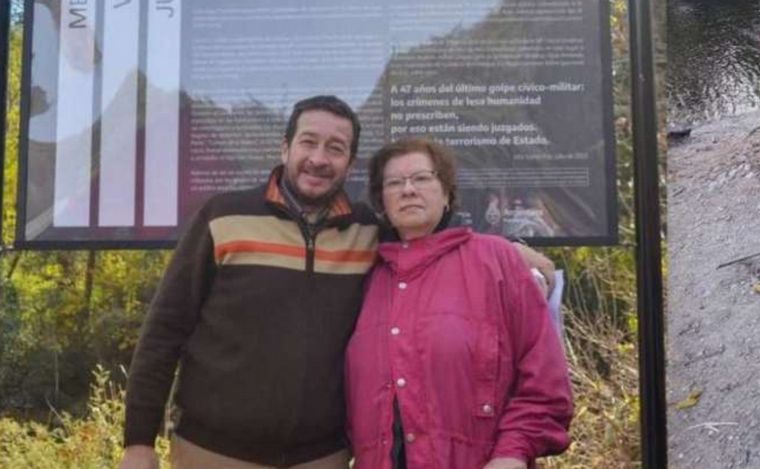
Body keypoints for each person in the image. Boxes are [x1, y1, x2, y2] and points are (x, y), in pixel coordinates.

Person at [118, 96, 557, 469]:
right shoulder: (223, 216)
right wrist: (139, 441)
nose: (319, 158)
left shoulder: (368, 231)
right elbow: (164, 331)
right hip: (213, 450)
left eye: (336, 148)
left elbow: (433, 234)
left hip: (322, 457)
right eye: (308, 142)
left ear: (349, 163)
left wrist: (515, 255)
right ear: (285, 147)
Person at [345, 137, 573, 469]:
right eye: (394, 182)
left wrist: (512, 453)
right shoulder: (364, 277)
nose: (408, 190)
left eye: (422, 178)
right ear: (382, 200)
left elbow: (545, 379)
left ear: (447, 192)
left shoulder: (497, 262)